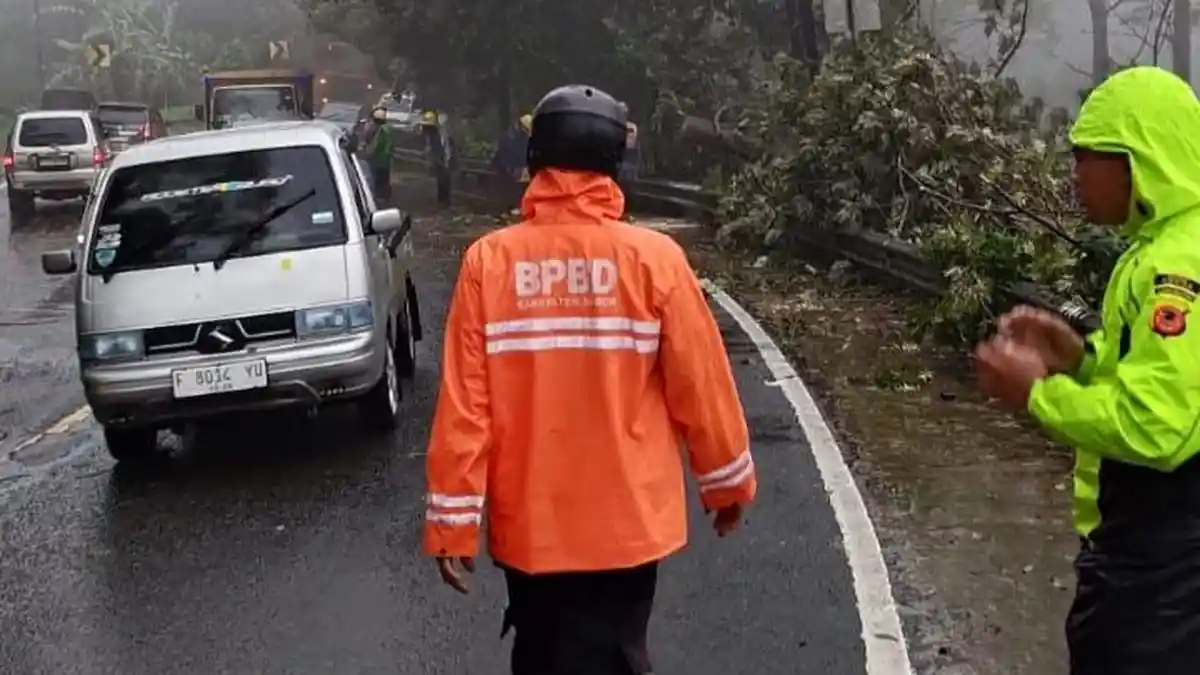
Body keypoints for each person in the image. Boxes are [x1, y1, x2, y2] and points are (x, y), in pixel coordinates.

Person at [423, 84, 756, 675]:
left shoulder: (489, 264)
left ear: (535, 160)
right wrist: (726, 485)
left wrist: (452, 522)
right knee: (618, 655)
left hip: (531, 527)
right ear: (614, 163)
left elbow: (465, 407)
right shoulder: (654, 261)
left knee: (542, 653)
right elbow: (700, 386)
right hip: (629, 524)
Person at [973, 65, 1200, 674]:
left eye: (1085, 156)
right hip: (1144, 555)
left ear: (1137, 158)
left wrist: (1039, 394)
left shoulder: (1180, 267)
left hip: (1166, 565)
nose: (1074, 175)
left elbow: (1158, 425)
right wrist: (1079, 358)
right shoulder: (1154, 249)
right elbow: (1158, 378)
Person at [357, 106, 394, 205]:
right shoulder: (389, 128)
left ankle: (376, 198)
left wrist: (367, 153)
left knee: (375, 179)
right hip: (386, 160)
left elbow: (374, 144)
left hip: (376, 159)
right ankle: (384, 197)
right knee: (384, 178)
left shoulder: (378, 130)